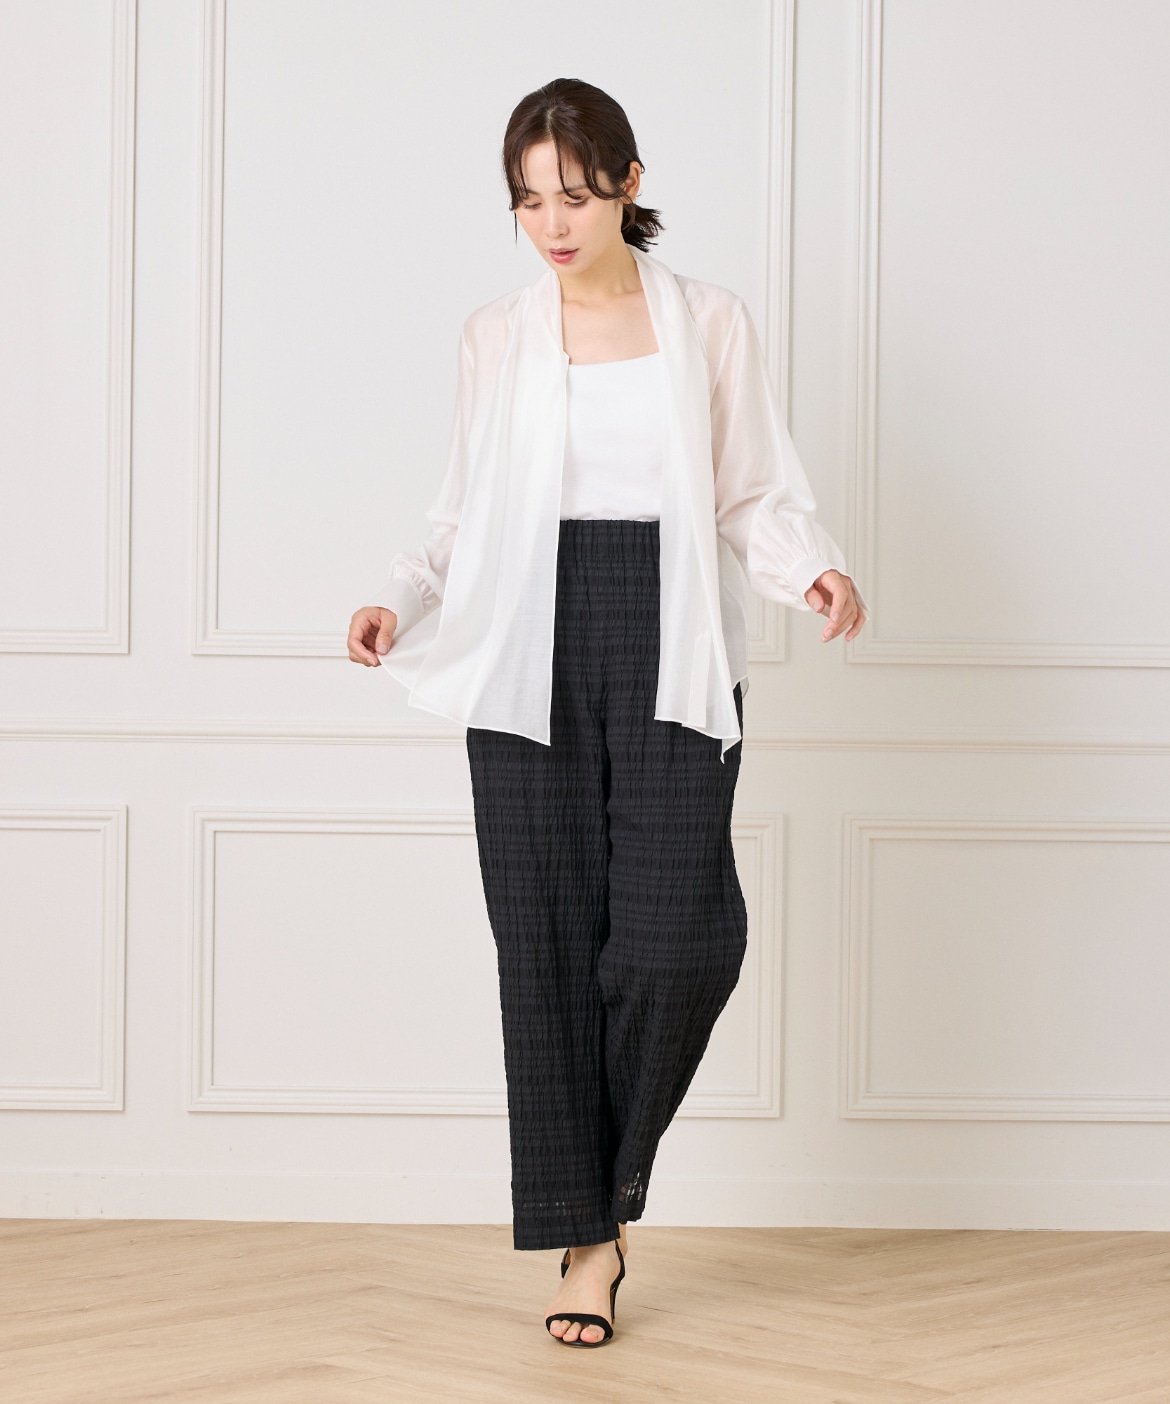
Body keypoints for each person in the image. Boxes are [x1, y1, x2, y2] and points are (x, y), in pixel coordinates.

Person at [347, 78, 868, 1348]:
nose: (552, 224)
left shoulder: (710, 321)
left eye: (574, 196)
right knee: (542, 950)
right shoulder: (494, 334)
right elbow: (462, 512)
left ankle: (606, 1192)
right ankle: (588, 1240)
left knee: (677, 942)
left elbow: (749, 490)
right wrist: (397, 601)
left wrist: (809, 567)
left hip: (671, 633)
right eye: (529, 201)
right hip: (520, 641)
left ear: (630, 184)